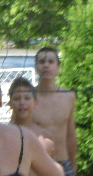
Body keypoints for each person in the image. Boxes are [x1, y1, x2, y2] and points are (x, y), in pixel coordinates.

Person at [31, 48, 77, 176]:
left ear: (58, 68)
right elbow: (16, 131)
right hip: (36, 165)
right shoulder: (27, 98)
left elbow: (71, 135)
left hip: (63, 162)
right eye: (42, 62)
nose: (46, 65)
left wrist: (73, 163)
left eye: (51, 62)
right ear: (36, 67)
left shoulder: (68, 96)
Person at [8, 77, 63, 176]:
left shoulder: (44, 135)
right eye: (17, 98)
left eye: (27, 98)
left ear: (35, 103)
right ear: (10, 104)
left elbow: (53, 169)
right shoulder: (5, 134)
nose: (22, 102)